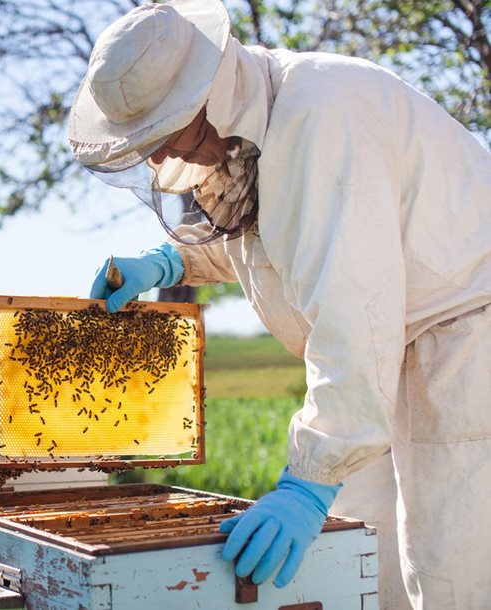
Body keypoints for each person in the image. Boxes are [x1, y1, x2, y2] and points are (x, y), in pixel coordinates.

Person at [67, 1, 491, 608]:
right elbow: (273, 240)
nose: (159, 159)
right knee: (363, 553)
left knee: (452, 572)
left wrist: (306, 483)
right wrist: (170, 262)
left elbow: (353, 304)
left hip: (465, 341)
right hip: (390, 349)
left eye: (165, 135)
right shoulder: (252, 128)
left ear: (206, 97)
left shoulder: (321, 115)